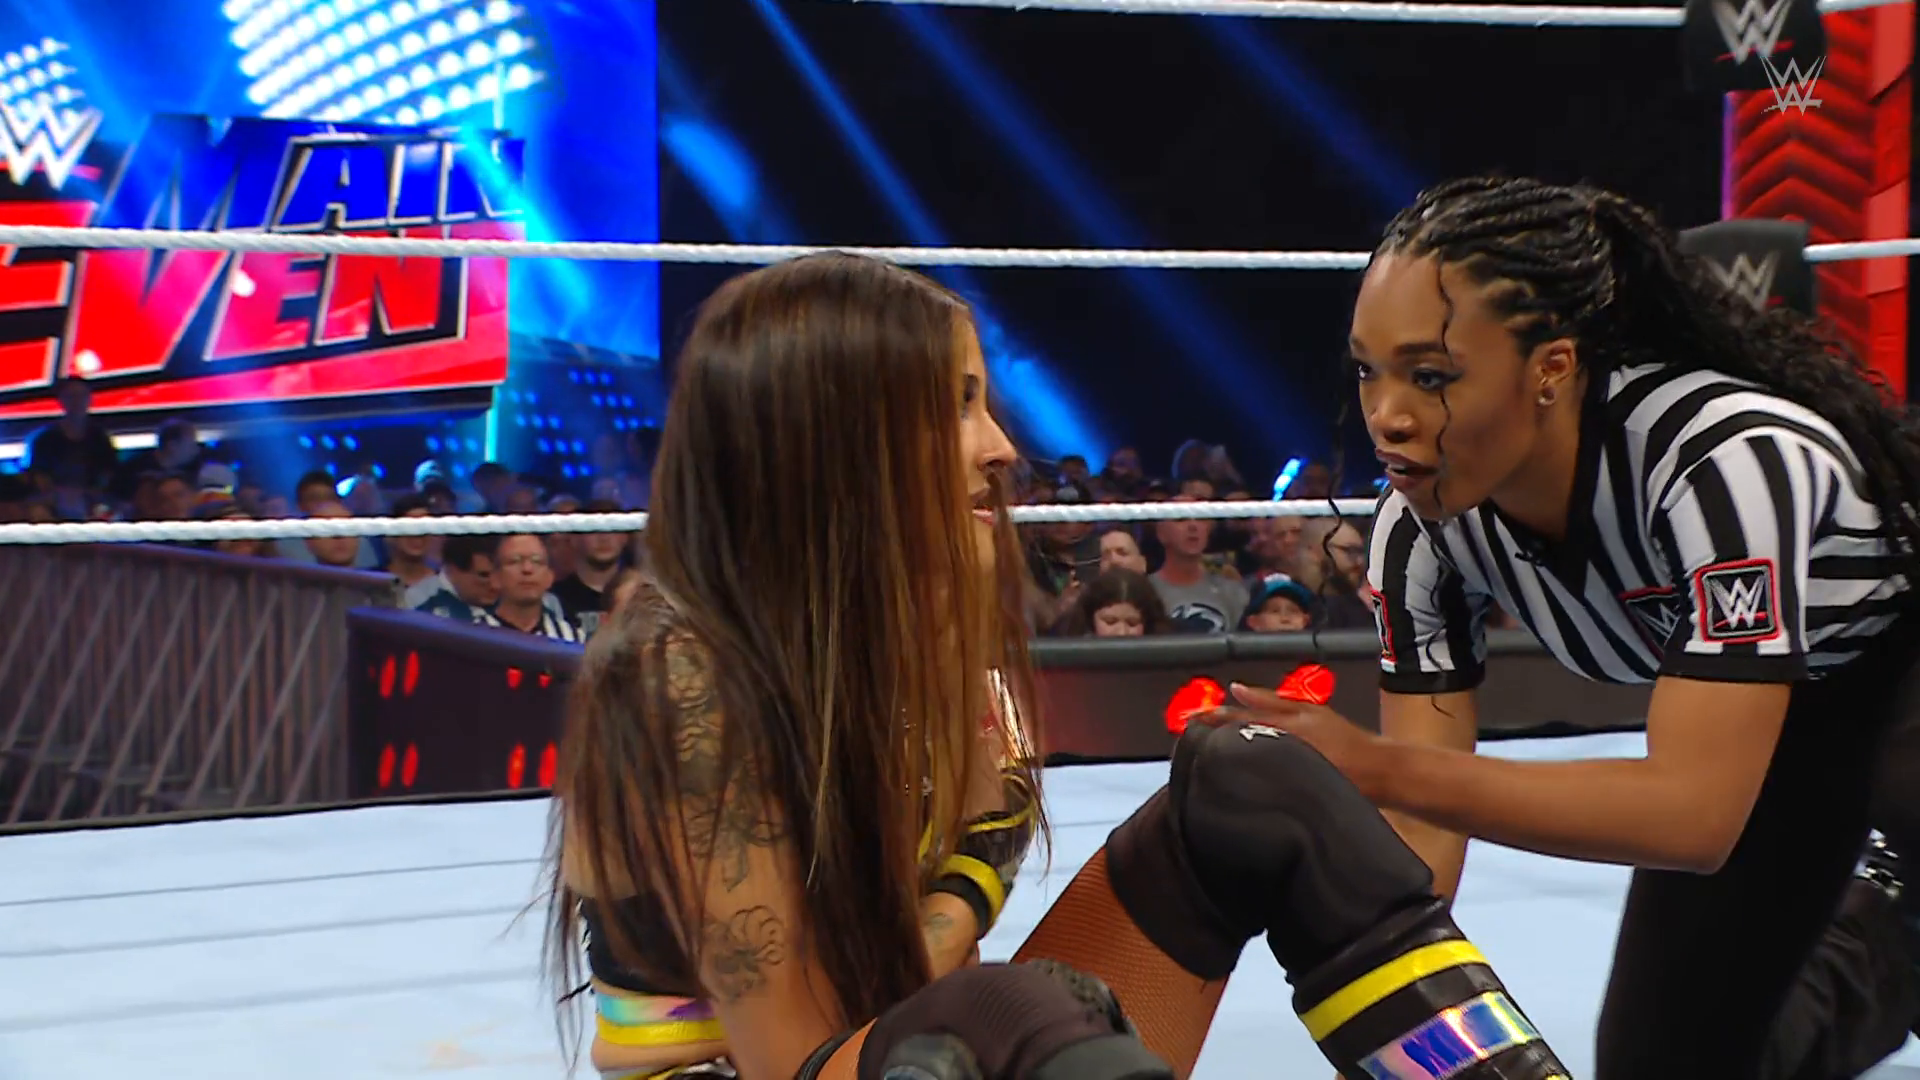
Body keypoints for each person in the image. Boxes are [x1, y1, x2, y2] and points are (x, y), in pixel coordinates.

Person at [541, 254, 1574, 1080]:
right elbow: (790, 1059)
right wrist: (976, 962)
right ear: (834, 439)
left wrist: (961, 945)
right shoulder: (684, 677)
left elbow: (968, 872)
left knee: (1252, 778)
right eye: (954, 404)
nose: (1000, 447)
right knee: (1006, 1009)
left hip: (903, 1039)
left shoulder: (907, 618)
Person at [1221, 177, 1920, 1078]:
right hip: (1788, 706)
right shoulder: (1421, 532)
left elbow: (1691, 813)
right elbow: (1424, 840)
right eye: (1367, 370)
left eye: (1431, 376)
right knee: (1663, 1064)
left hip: (1903, 658)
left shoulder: (1720, 462)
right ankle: (1889, 945)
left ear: (1550, 368)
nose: (1387, 415)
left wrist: (1372, 765)